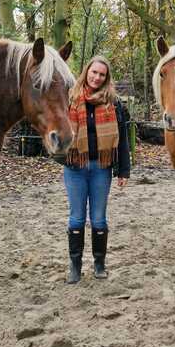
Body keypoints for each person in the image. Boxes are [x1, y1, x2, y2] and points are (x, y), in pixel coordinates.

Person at [64, 56, 130, 284]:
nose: (97, 77)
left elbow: (122, 140)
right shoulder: (70, 99)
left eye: (102, 74)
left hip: (102, 168)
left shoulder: (113, 103)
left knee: (99, 218)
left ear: (106, 78)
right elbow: (56, 133)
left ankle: (99, 264)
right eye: (94, 72)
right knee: (76, 218)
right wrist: (62, 158)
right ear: (87, 72)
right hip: (75, 168)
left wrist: (124, 171)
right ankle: (75, 266)